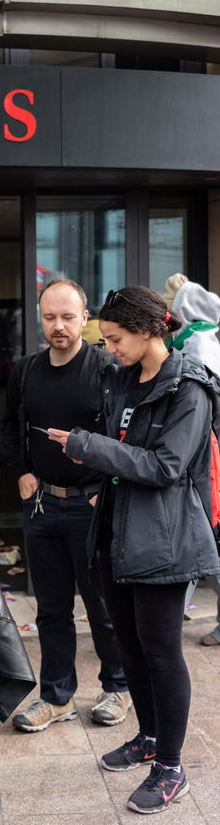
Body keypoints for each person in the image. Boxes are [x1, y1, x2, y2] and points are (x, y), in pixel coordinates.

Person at [49, 285, 220, 815]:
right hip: (115, 531)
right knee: (131, 645)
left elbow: (166, 466)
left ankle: (171, 766)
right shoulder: (122, 379)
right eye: (106, 339)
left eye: (117, 338)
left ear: (148, 331)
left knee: (162, 652)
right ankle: (148, 737)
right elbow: (125, 449)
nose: (111, 348)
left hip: (165, 539)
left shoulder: (189, 389)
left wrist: (90, 447)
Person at [0, 279, 130, 732]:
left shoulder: (106, 368)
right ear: (40, 318)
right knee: (51, 608)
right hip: (42, 505)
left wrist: (105, 487)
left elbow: (123, 436)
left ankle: (118, 687)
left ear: (85, 318)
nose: (58, 326)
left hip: (92, 505)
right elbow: (11, 426)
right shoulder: (26, 371)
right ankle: (57, 697)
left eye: (68, 317)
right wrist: (21, 471)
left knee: (102, 605)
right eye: (50, 317)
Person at [164, 275, 220, 646]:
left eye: (172, 300)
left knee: (203, 539)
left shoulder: (199, 343)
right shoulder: (196, 338)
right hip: (199, 455)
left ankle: (163, 626)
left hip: (206, 458)